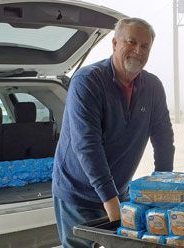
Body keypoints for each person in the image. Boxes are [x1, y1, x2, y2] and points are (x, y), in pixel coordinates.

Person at [52, 17, 175, 247]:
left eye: (145, 46)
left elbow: (164, 140)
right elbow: (88, 146)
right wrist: (112, 204)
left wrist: (163, 189)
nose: (138, 50)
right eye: (131, 42)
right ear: (115, 43)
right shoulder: (87, 81)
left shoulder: (153, 87)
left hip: (119, 190)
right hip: (77, 193)